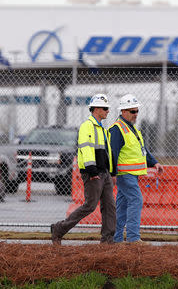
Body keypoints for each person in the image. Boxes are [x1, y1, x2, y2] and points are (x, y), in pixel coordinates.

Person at [51, 94, 116, 245]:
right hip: (93, 173)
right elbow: (86, 149)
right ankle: (58, 229)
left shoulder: (101, 128)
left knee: (110, 207)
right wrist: (92, 171)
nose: (108, 111)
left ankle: (107, 240)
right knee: (90, 206)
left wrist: (111, 172)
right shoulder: (88, 126)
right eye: (105, 108)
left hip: (104, 173)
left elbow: (107, 153)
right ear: (96, 109)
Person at [109, 94, 164, 243]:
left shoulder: (131, 129)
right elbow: (112, 152)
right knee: (136, 200)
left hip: (132, 174)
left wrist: (154, 163)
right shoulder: (117, 129)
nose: (136, 114)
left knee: (122, 205)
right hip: (124, 174)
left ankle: (116, 238)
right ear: (123, 111)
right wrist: (113, 173)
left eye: (137, 111)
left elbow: (142, 149)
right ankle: (133, 238)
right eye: (133, 111)